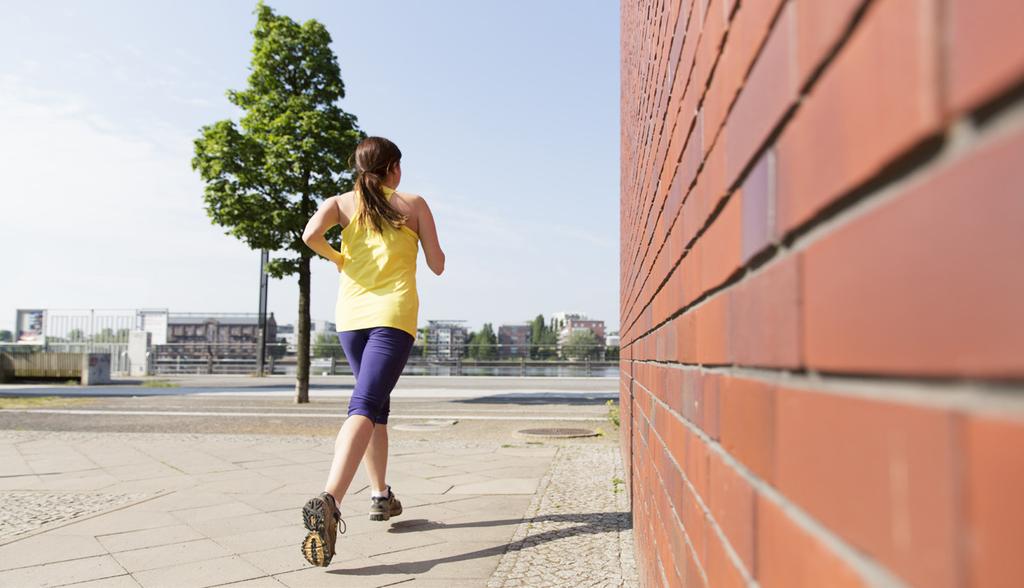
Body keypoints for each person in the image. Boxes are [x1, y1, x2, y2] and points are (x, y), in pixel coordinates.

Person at [298, 136, 445, 567]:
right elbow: (437, 264)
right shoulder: (413, 203)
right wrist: (424, 244)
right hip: (393, 318)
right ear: (393, 168)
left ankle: (380, 495)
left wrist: (339, 258)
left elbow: (309, 235)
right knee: (364, 404)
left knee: (377, 406)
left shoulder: (340, 204)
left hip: (351, 319)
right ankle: (330, 500)